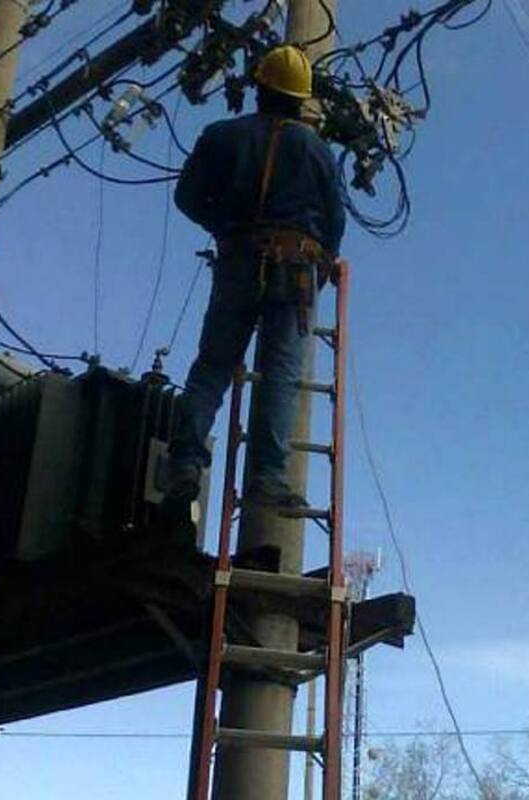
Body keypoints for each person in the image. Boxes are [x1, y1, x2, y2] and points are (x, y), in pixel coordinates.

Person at [165, 44, 346, 507]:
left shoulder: (221, 136)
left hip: (237, 262)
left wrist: (224, 224)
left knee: (213, 367)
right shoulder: (317, 150)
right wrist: (322, 263)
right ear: (301, 99)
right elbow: (335, 221)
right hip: (296, 269)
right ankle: (267, 478)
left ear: (261, 88)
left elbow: (187, 198)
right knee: (281, 371)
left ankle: (185, 460)